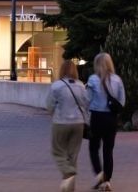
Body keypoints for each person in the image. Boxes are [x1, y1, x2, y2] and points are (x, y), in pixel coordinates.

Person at [46, 60, 89, 192]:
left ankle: (69, 172)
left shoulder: (56, 86)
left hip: (61, 122)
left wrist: (53, 113)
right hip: (78, 123)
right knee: (72, 154)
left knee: (57, 151)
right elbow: (86, 103)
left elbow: (50, 105)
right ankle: (70, 186)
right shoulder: (81, 85)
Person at [86, 53, 126, 191]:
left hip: (97, 117)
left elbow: (87, 99)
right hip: (111, 118)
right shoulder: (117, 80)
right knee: (108, 151)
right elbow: (122, 101)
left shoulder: (92, 79)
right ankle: (107, 181)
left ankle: (100, 176)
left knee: (93, 148)